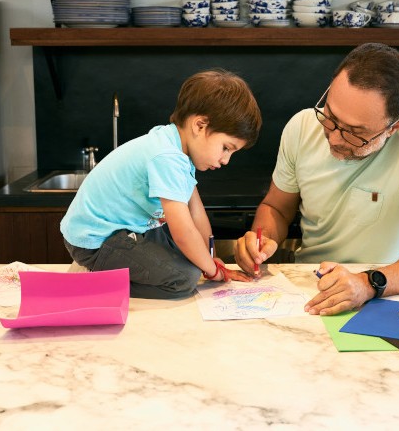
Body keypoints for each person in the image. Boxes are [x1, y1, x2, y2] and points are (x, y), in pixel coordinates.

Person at [235, 43, 399, 315]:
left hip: (390, 294)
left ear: (394, 127)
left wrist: (368, 283)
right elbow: (276, 208)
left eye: (355, 133)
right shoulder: (301, 126)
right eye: (330, 117)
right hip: (311, 290)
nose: (334, 138)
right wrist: (262, 241)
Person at [61, 69, 262, 299]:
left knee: (194, 260)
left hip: (124, 230)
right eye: (226, 148)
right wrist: (212, 270)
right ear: (199, 125)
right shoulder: (167, 156)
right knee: (183, 279)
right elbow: (184, 233)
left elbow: (196, 213)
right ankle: (91, 285)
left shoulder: (176, 146)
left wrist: (211, 257)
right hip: (96, 241)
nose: (225, 160)